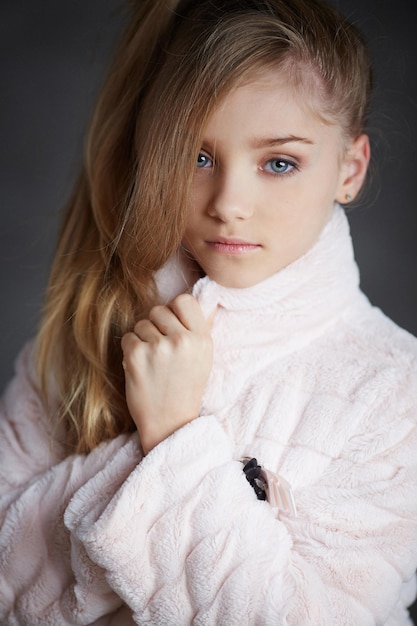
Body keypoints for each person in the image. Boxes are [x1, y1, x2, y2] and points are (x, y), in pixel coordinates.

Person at [1, 0, 417, 623]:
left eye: (279, 162)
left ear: (349, 169)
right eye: (199, 157)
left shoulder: (394, 388)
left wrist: (172, 435)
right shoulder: (86, 327)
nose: (229, 203)